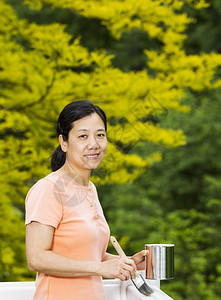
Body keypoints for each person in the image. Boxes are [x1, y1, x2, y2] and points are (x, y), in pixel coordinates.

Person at [25, 100, 148, 300]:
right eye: (83, 136)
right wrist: (101, 268)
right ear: (63, 142)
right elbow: (36, 258)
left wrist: (125, 262)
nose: (94, 144)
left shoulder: (90, 189)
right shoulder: (49, 189)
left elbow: (86, 254)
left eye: (100, 135)